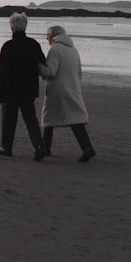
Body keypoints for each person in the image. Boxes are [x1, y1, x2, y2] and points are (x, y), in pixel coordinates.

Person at [39, 25, 96, 162]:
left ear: (52, 35)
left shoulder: (55, 49)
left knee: (48, 119)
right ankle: (87, 147)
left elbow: (51, 72)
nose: (47, 38)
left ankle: (46, 148)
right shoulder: (73, 50)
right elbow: (79, 73)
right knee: (75, 119)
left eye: (47, 35)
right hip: (73, 87)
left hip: (58, 90)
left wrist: (39, 67)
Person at [0, 12, 45, 161]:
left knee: (9, 119)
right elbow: (42, 63)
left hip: (10, 89)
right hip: (29, 88)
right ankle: (39, 146)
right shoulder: (33, 44)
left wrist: (1, 95)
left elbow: (2, 72)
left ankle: (7, 147)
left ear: (12, 28)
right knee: (31, 119)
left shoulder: (8, 46)